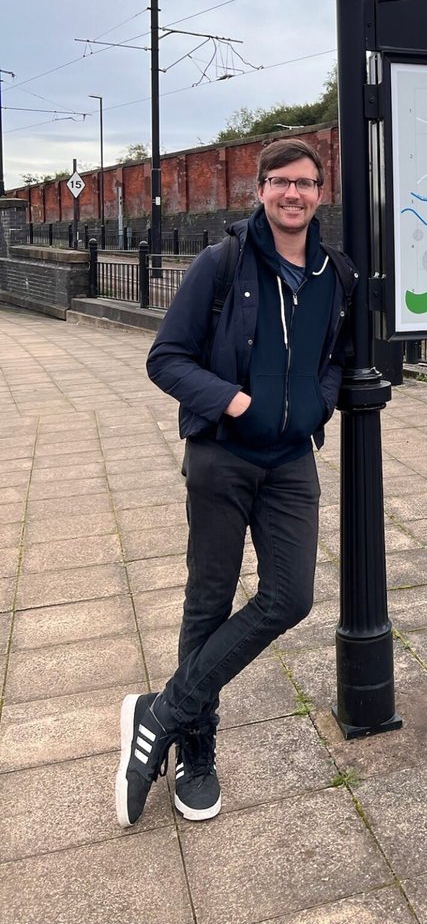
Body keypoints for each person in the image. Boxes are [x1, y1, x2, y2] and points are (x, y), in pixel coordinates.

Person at [115, 138, 357, 827]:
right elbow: (166, 358)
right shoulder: (221, 264)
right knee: (210, 599)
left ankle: (160, 709)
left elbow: (338, 354)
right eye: (280, 182)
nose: (293, 194)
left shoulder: (333, 274)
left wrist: (320, 400)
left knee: (290, 596)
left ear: (321, 192)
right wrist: (236, 401)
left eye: (306, 183)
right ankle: (195, 747)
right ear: (259, 189)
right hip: (222, 456)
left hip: (290, 462)